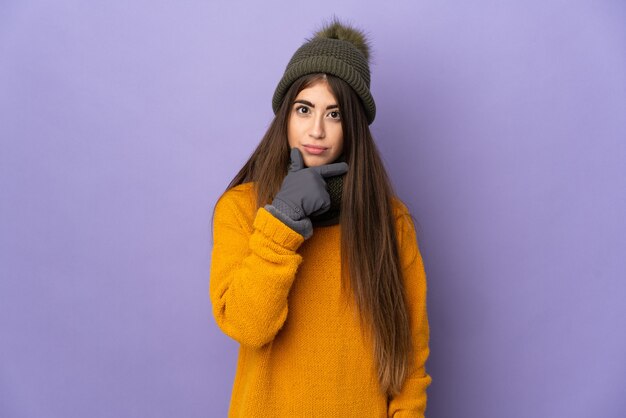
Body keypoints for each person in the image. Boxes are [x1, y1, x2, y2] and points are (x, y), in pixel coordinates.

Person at [209, 17, 431, 417]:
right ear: (285, 116)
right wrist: (284, 218)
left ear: (353, 127)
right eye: (304, 108)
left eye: (334, 114)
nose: (316, 130)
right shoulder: (241, 208)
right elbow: (247, 326)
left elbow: (408, 358)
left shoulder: (390, 223)